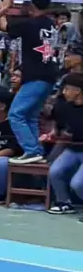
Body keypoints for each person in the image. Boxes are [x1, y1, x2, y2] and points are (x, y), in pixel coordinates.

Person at [0, 0, 57, 164]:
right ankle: (36, 151)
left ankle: (31, 150)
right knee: (30, 116)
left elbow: (4, 26)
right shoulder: (51, 24)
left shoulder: (29, 24)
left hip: (35, 76)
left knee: (15, 114)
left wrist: (3, 9)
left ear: (32, 3)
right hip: (49, 75)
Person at [47, 73, 83, 214]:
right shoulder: (64, 107)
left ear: (78, 91)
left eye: (67, 89)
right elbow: (59, 126)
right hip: (72, 148)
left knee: (77, 183)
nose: (64, 92)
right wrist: (53, 133)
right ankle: (64, 202)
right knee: (55, 171)